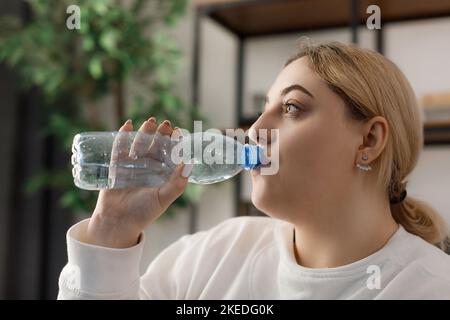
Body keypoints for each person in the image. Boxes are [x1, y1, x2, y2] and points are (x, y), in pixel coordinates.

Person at [58, 41, 450, 299]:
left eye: (292, 107)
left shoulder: (428, 287)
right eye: (264, 108)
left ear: (368, 141)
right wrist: (111, 231)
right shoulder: (217, 253)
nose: (255, 130)